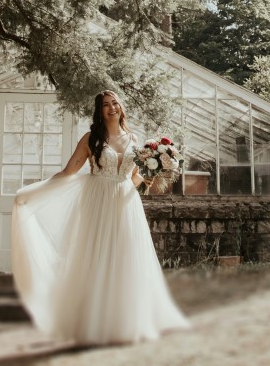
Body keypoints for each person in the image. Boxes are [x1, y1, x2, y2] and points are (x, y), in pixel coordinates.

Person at [11, 89, 190, 345]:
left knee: (125, 258)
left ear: (121, 107)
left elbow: (134, 180)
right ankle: (92, 324)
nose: (112, 108)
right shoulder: (91, 138)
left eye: (115, 103)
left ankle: (124, 323)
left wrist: (154, 174)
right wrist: (35, 192)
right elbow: (69, 170)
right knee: (95, 257)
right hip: (97, 200)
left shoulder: (133, 138)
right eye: (106, 105)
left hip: (126, 203)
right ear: (99, 111)